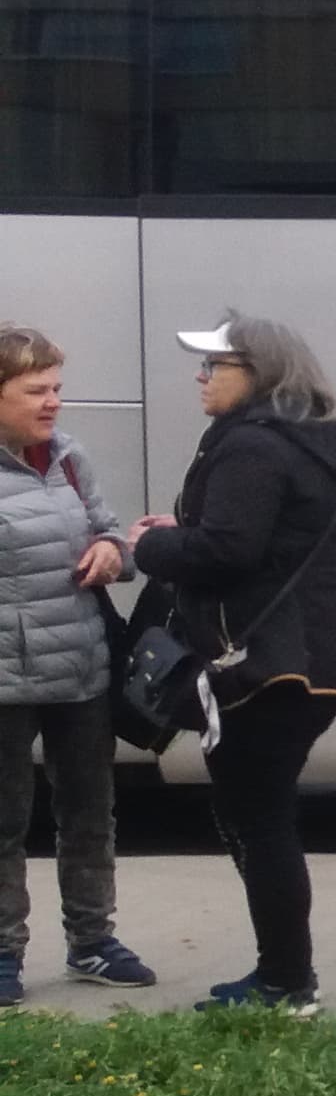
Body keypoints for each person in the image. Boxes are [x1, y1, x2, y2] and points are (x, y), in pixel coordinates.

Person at [130, 317, 336, 1015]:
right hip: (317, 663)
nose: (201, 377)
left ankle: (285, 983)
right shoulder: (316, 440)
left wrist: (148, 548)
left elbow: (227, 551)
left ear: (259, 372)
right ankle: (284, 977)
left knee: (259, 820)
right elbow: (264, 541)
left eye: (215, 365)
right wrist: (186, 533)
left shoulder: (252, 446)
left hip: (267, 666)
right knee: (256, 812)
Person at [0, 326, 156, 1005]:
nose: (53, 402)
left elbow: (108, 528)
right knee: (5, 822)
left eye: (57, 388)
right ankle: (3, 953)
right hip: (5, 679)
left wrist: (113, 551)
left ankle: (93, 941)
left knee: (90, 814)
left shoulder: (68, 456)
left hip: (82, 669)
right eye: (37, 390)